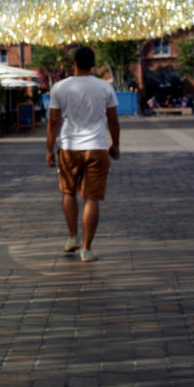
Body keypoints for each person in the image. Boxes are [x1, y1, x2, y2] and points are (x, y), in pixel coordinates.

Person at [45, 46, 120, 262]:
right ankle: (87, 249)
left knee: (68, 192)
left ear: (74, 63)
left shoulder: (60, 87)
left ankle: (73, 237)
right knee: (91, 198)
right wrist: (116, 144)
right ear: (93, 65)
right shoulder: (105, 88)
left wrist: (50, 149)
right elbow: (113, 121)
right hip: (97, 146)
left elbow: (53, 121)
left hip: (69, 147)